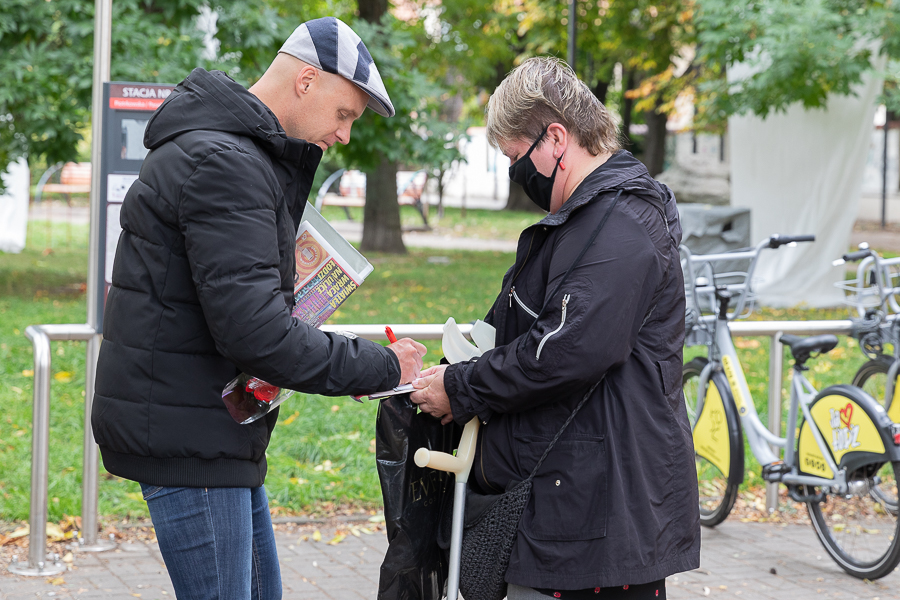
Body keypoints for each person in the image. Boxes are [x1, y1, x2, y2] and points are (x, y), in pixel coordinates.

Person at [92, 17, 426, 600]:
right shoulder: (227, 163)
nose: (345, 135)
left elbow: (238, 310)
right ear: (305, 80)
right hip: (193, 436)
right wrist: (383, 367)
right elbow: (257, 335)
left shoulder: (231, 153)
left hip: (208, 430)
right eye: (345, 113)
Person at [410, 57, 700, 599]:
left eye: (516, 157)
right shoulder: (584, 222)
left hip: (604, 519)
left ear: (557, 138)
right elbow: (515, 331)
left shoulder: (623, 226)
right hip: (569, 504)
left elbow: (565, 349)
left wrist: (461, 387)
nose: (516, 174)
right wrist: (447, 370)